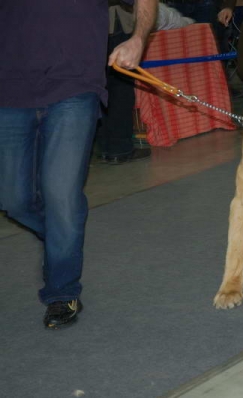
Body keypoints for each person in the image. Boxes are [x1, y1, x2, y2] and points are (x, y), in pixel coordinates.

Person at [0, 0, 158, 329]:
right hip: (9, 89)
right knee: (13, 200)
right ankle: (63, 236)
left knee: (61, 194)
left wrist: (138, 39)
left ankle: (62, 291)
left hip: (75, 85)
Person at [98, 1, 195, 165]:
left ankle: (106, 147)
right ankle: (119, 148)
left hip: (94, 28)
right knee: (121, 87)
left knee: (102, 87)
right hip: (116, 22)